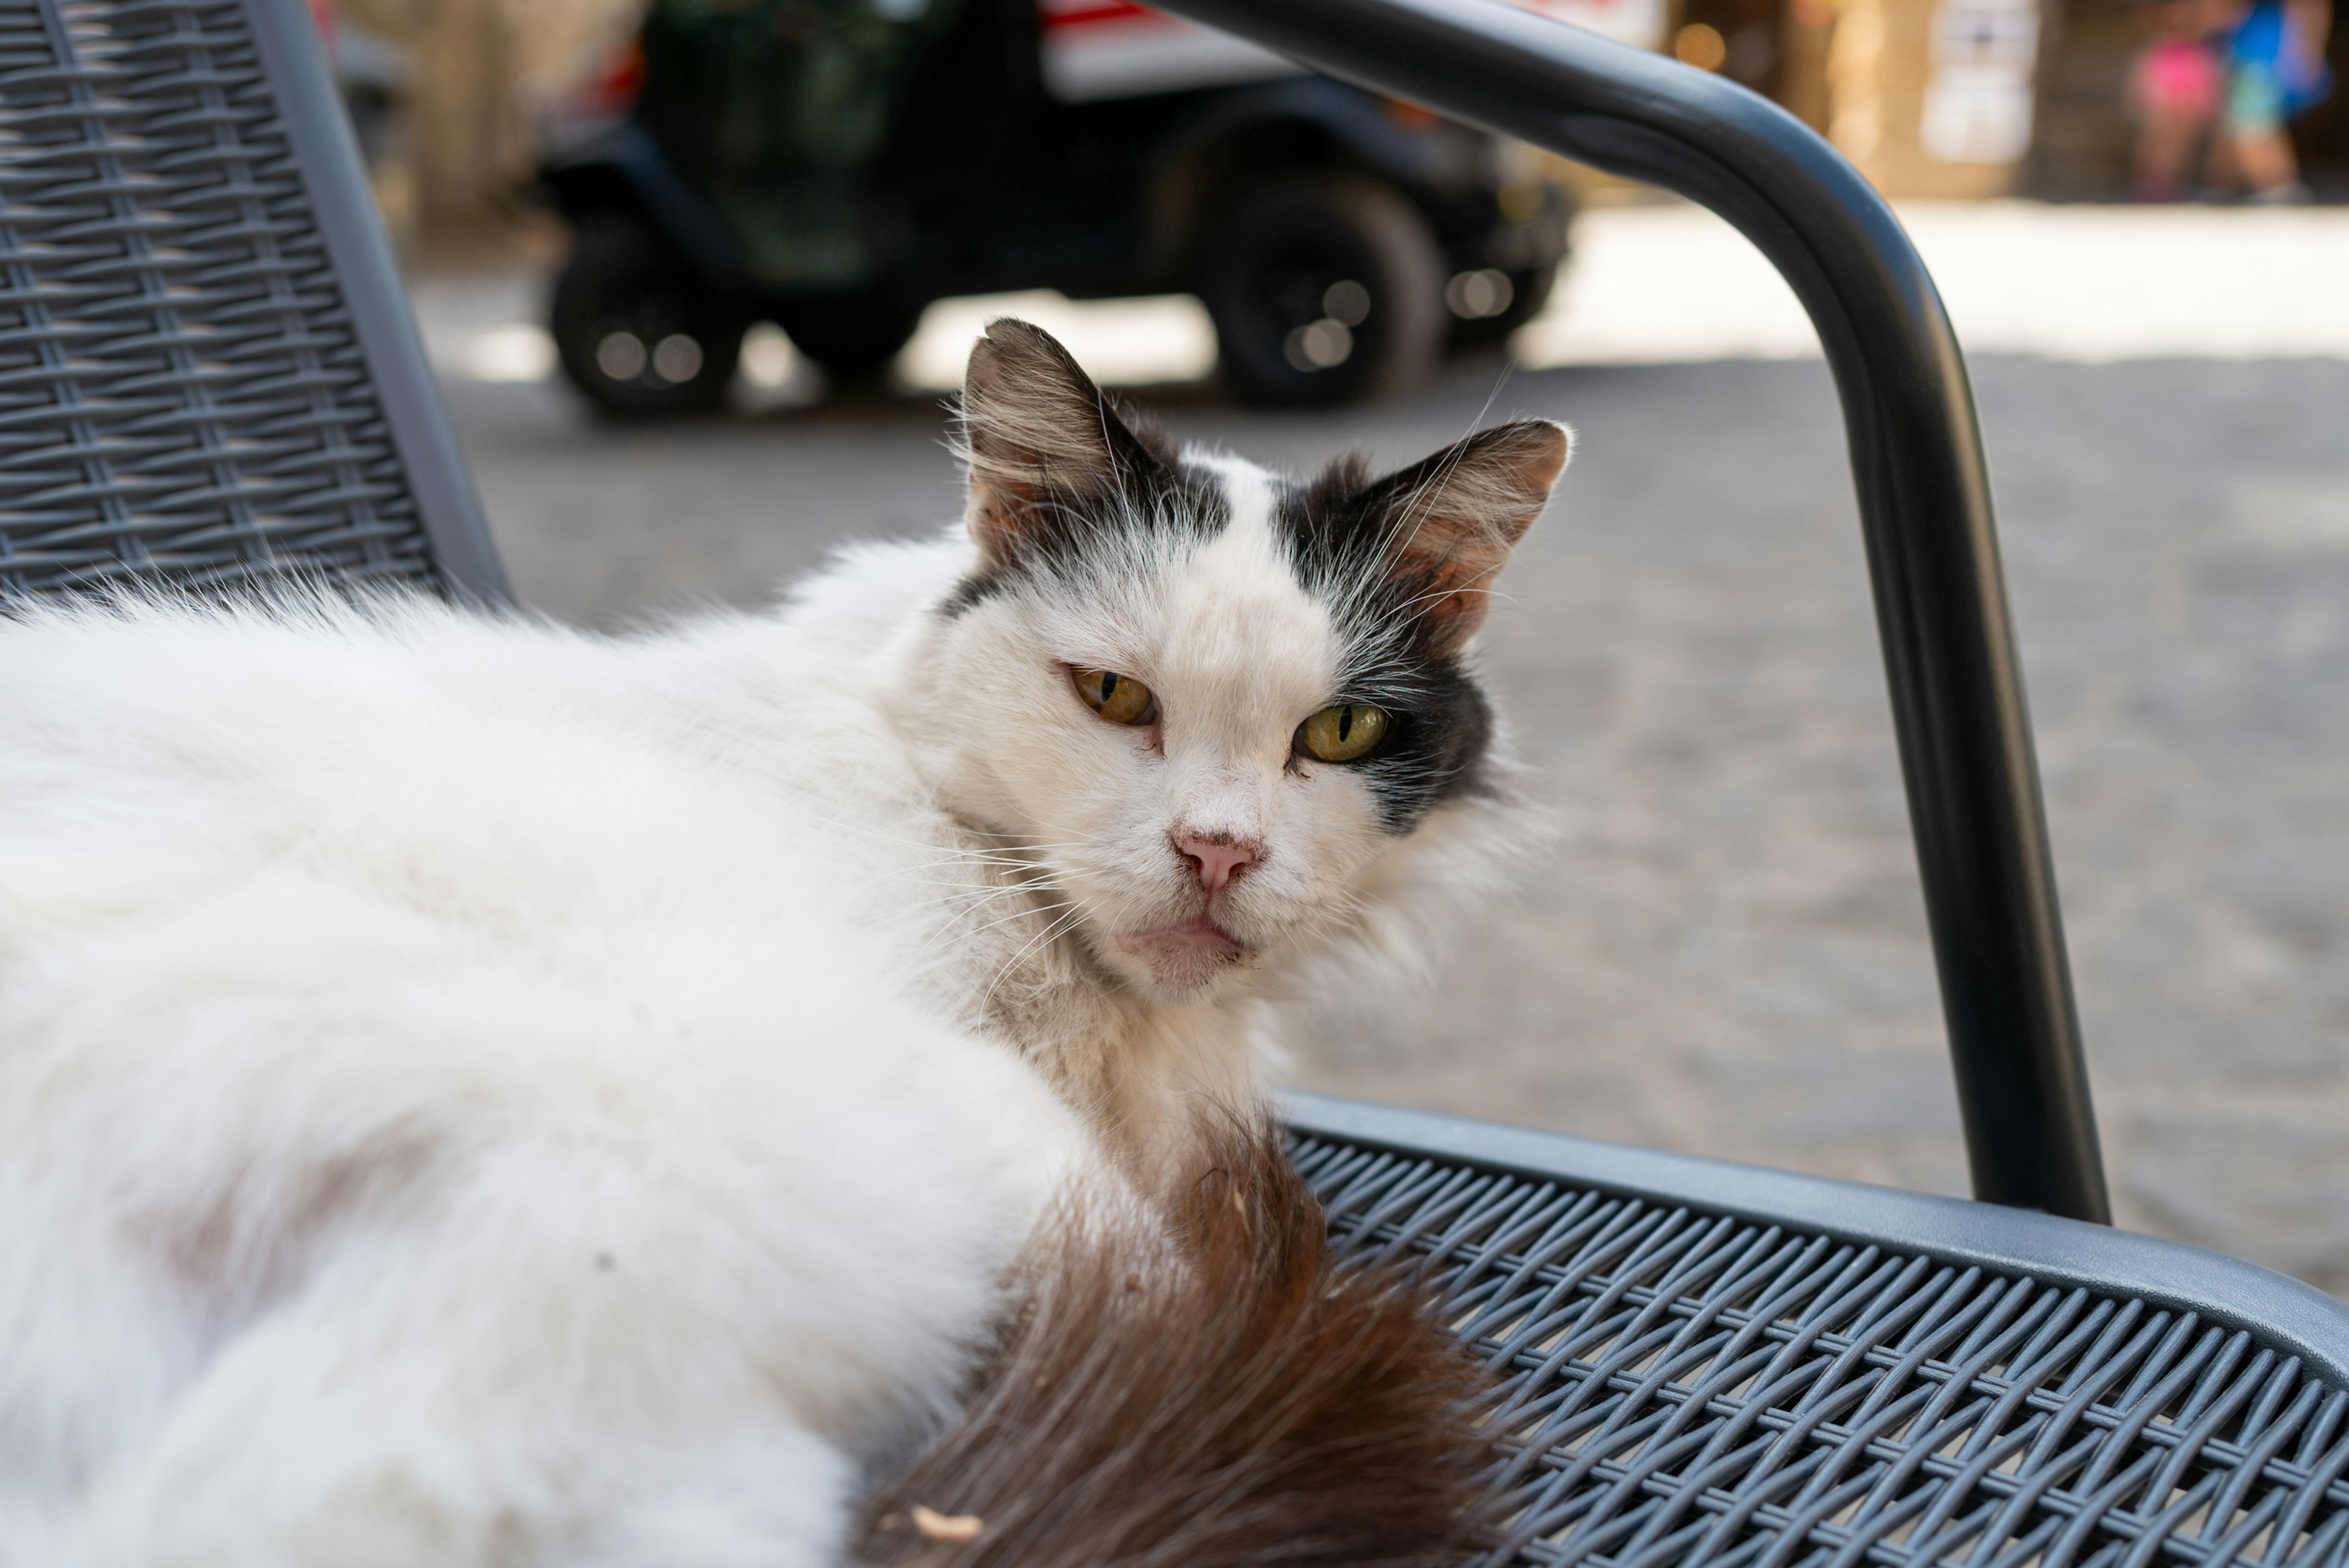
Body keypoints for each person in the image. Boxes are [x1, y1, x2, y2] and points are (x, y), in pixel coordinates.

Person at [2218, 0, 2334, 201]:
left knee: (2253, 126)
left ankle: (2279, 188)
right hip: (2248, 60)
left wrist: (2308, 56)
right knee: (2246, 127)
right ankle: (2249, 189)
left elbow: (2312, 9)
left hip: (2264, 62)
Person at [2128, 0, 2236, 199]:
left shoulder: (2200, 46)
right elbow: (2148, 78)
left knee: (2179, 146)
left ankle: (2168, 186)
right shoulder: (2160, 45)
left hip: (2189, 102)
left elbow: (2206, 82)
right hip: (2163, 99)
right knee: (2157, 144)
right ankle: (2149, 186)